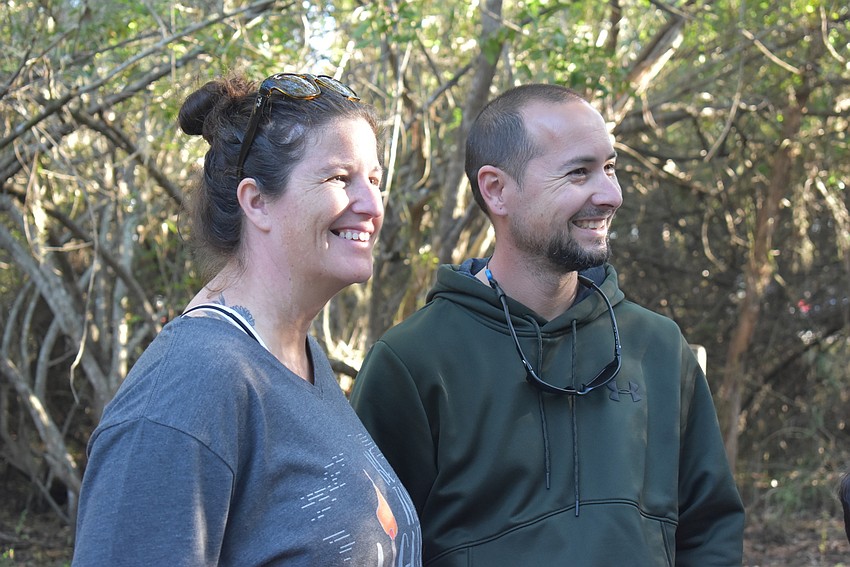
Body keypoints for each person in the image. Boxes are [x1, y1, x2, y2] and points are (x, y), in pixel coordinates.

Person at [350, 83, 744, 566]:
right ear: (497, 190)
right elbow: (374, 547)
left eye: (610, 168)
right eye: (579, 172)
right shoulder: (411, 361)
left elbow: (711, 530)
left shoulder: (657, 347)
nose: (611, 195)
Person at [73, 72, 422, 566]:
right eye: (340, 179)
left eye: (375, 180)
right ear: (256, 202)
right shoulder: (189, 387)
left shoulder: (301, 359)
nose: (371, 205)